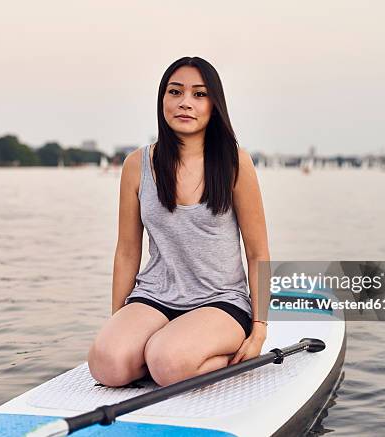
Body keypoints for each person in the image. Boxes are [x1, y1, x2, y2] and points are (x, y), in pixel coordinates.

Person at [88, 56, 270, 387]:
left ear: (214, 104)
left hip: (219, 301)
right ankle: (160, 351)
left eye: (199, 94)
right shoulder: (137, 164)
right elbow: (128, 251)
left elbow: (257, 253)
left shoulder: (234, 162)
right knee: (107, 365)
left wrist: (258, 330)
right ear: (163, 101)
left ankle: (189, 356)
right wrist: (120, 322)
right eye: (175, 92)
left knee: (167, 363)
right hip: (155, 295)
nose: (185, 102)